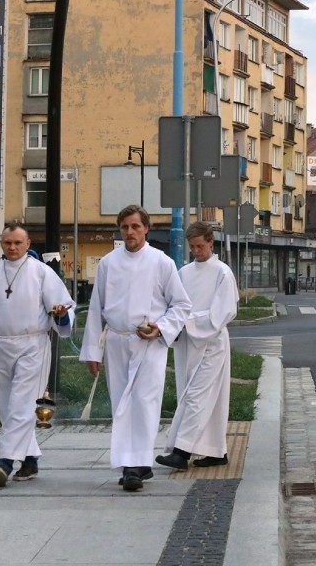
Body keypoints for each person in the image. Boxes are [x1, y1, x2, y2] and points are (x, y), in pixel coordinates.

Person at [79, 205, 191, 491]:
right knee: (121, 403)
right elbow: (96, 309)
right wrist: (93, 351)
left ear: (146, 229)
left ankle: (137, 465)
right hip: (117, 341)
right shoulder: (108, 263)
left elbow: (181, 304)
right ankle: (131, 464)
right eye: (125, 227)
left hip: (148, 343)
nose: (130, 232)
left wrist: (161, 328)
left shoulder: (161, 262)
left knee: (145, 401)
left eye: (135, 226)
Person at [0, 222, 74, 487]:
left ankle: (5, 459)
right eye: (7, 243)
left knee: (23, 405)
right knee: (6, 405)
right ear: (1, 244)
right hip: (1, 345)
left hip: (32, 345)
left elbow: (64, 305)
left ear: (27, 244)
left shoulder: (41, 273)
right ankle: (30, 458)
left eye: (17, 242)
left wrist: (60, 313)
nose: (12, 247)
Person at [156, 222, 238, 471]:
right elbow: (176, 305)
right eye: (192, 247)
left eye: (200, 246)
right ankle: (215, 450)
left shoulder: (222, 272)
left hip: (211, 343)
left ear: (211, 242)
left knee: (196, 396)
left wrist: (188, 322)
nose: (196, 251)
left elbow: (223, 312)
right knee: (199, 396)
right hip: (188, 344)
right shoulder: (184, 273)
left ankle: (181, 452)